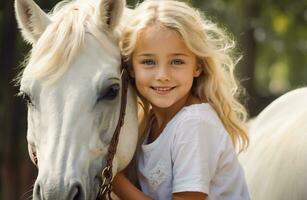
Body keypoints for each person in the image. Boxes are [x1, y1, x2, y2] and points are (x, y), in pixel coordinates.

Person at [112, 0, 250, 199]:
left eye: (177, 61)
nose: (162, 75)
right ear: (132, 68)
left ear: (197, 66)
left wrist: (112, 177)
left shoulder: (193, 124)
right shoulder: (149, 122)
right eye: (148, 62)